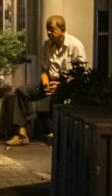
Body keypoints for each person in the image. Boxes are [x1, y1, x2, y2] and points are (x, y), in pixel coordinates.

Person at [6, 14, 86, 146]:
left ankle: (55, 132)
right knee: (22, 91)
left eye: (52, 29)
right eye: (47, 29)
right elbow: (44, 70)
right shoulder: (47, 45)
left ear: (62, 29)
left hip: (67, 85)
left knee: (58, 97)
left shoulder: (75, 45)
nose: (49, 33)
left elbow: (80, 73)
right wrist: (46, 83)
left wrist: (61, 84)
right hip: (49, 82)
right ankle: (21, 133)